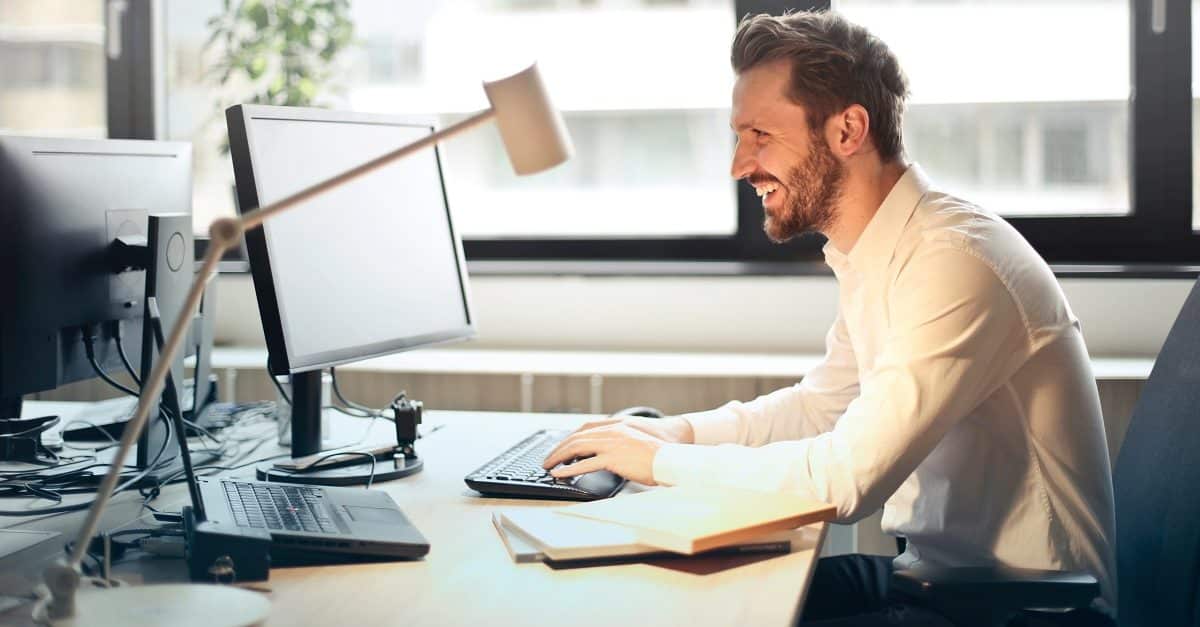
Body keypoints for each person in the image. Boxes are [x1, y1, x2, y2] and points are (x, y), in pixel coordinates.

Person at [542, 10, 1117, 627]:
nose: (739, 165)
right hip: (937, 579)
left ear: (848, 130)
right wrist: (674, 435)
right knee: (680, 596)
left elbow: (846, 480)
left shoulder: (955, 262)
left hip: (1024, 608)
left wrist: (654, 464)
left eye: (760, 135)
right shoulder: (881, 250)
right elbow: (822, 407)